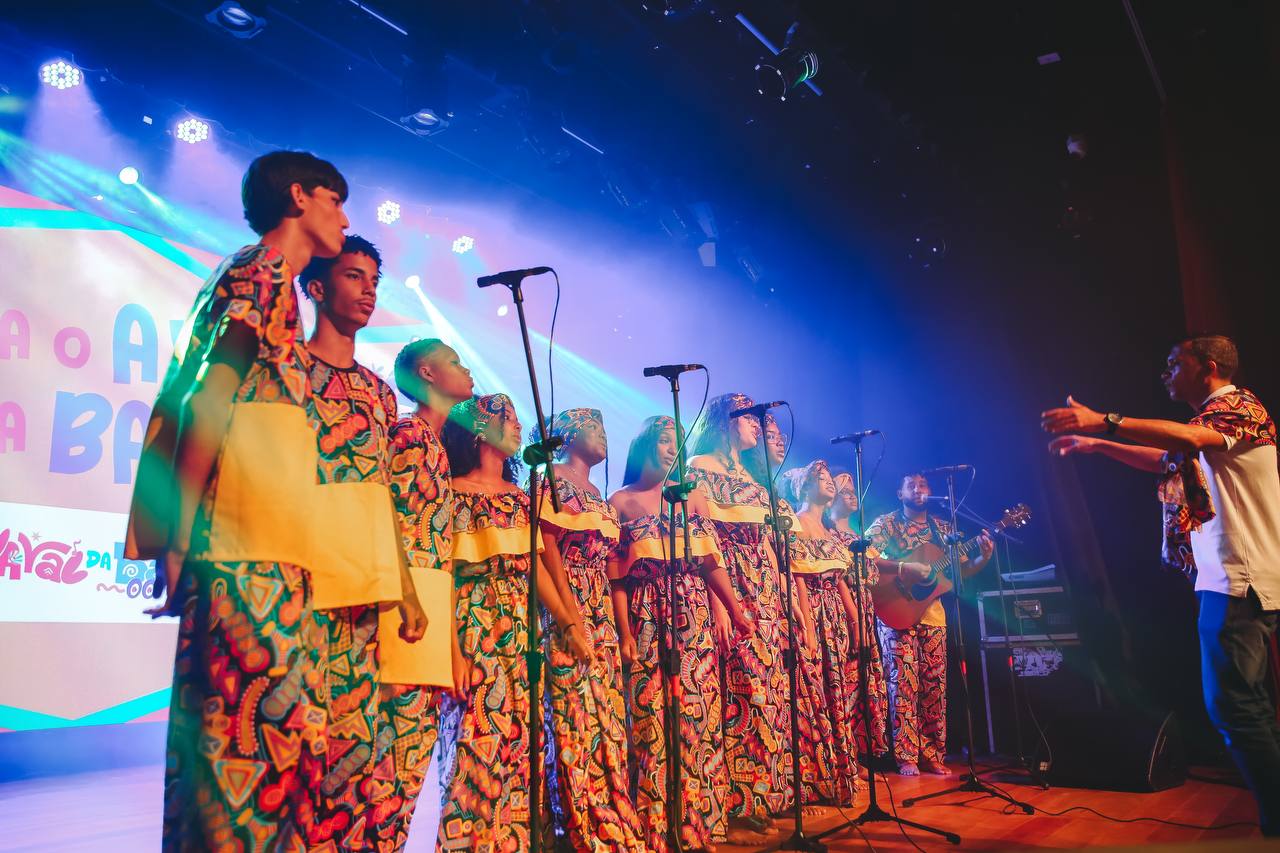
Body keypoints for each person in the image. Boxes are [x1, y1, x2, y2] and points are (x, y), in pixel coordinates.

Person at [124, 150, 359, 849]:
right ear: (299, 197)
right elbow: (209, 401)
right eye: (336, 201)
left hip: (268, 548)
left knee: (271, 748)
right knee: (244, 747)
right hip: (242, 552)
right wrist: (177, 534)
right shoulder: (261, 272)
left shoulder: (271, 281)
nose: (345, 219)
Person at [1042, 334, 1280, 836]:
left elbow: (1182, 441)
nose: (1166, 372)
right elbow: (1165, 458)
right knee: (1248, 706)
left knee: (1235, 707)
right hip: (1231, 581)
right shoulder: (1207, 428)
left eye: (1175, 363)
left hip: (1240, 582)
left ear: (1208, 367)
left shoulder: (1238, 407)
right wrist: (1097, 444)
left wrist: (1104, 420)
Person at [298, 234, 429, 847]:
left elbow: (384, 501)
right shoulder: (287, 372)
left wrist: (407, 590)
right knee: (298, 747)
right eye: (354, 276)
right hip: (297, 582)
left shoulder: (379, 395)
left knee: (355, 753)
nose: (369, 290)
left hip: (361, 592)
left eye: (374, 280)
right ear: (317, 287)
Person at [437, 393, 590, 852]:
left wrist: (567, 623)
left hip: (522, 632)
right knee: (474, 743)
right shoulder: (453, 492)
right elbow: (444, 575)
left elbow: (536, 568)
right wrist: (451, 651)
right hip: (474, 627)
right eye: (509, 418)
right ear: (480, 432)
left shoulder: (520, 498)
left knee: (522, 742)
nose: (519, 427)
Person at [608, 415, 754, 850]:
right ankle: (656, 827)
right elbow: (617, 578)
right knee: (652, 719)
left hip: (691, 613)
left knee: (697, 716)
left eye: (678, 442)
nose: (673, 449)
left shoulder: (693, 499)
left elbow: (710, 561)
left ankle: (697, 825)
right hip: (646, 616)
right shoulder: (620, 502)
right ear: (644, 445)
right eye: (664, 440)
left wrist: (735, 608)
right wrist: (624, 633)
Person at [364, 338, 474, 849]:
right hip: (401, 608)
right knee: (392, 755)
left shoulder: (436, 445)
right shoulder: (408, 435)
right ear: (427, 373)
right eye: (454, 362)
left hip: (428, 604)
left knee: (413, 753)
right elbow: (387, 522)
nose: (466, 369)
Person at [532, 408, 646, 852]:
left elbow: (610, 565)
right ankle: (578, 823)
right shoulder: (550, 480)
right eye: (592, 427)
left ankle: (611, 813)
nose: (603, 434)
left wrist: (615, 625)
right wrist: (570, 614)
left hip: (599, 606)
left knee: (606, 716)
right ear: (566, 434)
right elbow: (547, 549)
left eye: (604, 426)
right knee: (572, 713)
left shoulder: (598, 495)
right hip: (567, 603)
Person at [688, 394, 792, 833]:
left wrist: (784, 596)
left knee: (768, 692)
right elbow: (702, 541)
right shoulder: (699, 468)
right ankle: (740, 803)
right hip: (732, 587)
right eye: (748, 416)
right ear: (725, 421)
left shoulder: (747, 476)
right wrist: (719, 604)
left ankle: (767, 794)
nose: (756, 424)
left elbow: (764, 539)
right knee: (741, 694)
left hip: (764, 592)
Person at [867, 473, 992, 776]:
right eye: (911, 485)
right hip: (896, 611)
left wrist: (984, 557)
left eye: (923, 484)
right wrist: (902, 568)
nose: (918, 489)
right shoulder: (886, 524)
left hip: (933, 614)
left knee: (934, 686)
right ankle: (905, 755)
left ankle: (932, 753)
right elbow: (864, 555)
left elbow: (962, 572)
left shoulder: (944, 529)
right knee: (902, 684)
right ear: (900, 493)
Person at [782, 461, 861, 805]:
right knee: (814, 697)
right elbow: (798, 575)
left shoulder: (829, 529)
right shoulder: (797, 522)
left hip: (836, 619)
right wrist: (809, 631)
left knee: (837, 696)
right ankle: (817, 782)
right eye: (821, 478)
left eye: (830, 478)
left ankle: (843, 775)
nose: (829, 483)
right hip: (813, 611)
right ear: (803, 486)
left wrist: (856, 622)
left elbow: (840, 579)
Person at [826, 471, 889, 762]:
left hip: (866, 610)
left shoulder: (859, 537)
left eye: (854, 492)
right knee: (848, 680)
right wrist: (854, 621)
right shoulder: (830, 534)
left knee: (864, 682)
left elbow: (880, 570)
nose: (852, 496)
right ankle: (848, 756)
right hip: (844, 609)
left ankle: (863, 754)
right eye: (845, 492)